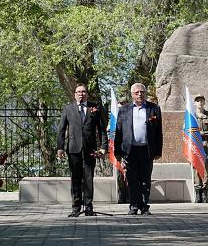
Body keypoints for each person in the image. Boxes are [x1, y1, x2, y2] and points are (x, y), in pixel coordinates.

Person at [56, 84, 108, 217]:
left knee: (89, 178)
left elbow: (102, 130)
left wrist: (103, 147)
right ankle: (76, 207)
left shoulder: (95, 108)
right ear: (75, 94)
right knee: (75, 178)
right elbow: (61, 129)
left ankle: (89, 206)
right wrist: (60, 147)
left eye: (84, 91)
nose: (81, 94)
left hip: (90, 149)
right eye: (79, 92)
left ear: (87, 94)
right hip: (73, 149)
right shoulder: (68, 109)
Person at [114, 83, 163, 215]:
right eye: (137, 93)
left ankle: (144, 206)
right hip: (130, 150)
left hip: (147, 149)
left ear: (145, 93)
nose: (140, 94)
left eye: (142, 92)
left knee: (145, 179)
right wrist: (118, 152)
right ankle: (134, 206)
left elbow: (159, 132)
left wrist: (158, 151)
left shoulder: (154, 108)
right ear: (132, 95)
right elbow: (119, 132)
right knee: (132, 179)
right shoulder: (124, 110)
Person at [193, 94, 208, 202]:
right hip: (195, 145)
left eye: (201, 100)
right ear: (194, 103)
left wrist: (203, 133)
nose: (200, 102)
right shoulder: (192, 116)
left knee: (205, 168)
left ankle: (205, 192)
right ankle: (197, 192)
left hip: (205, 143)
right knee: (196, 168)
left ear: (204, 102)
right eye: (198, 100)